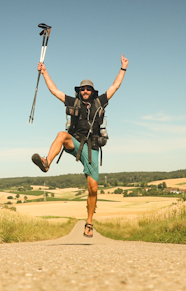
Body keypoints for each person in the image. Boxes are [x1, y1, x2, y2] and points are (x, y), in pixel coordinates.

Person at [31, 55, 128, 238]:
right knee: (61, 135)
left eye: (88, 89)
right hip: (75, 143)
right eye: (82, 88)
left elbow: (115, 86)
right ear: (79, 91)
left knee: (93, 189)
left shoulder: (99, 102)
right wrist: (44, 72)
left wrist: (123, 68)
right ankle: (46, 163)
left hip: (92, 149)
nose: (85, 91)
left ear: (92, 91)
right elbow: (54, 91)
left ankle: (89, 223)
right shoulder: (73, 102)